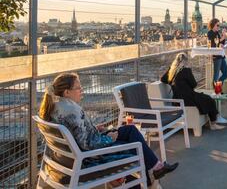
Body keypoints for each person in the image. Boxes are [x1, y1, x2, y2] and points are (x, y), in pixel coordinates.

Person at [39, 73, 179, 187]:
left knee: (130, 130)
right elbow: (88, 145)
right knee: (134, 148)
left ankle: (155, 168)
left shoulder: (55, 108)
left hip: (67, 158)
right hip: (89, 158)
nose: (82, 90)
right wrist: (109, 138)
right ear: (67, 92)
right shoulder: (71, 111)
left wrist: (96, 129)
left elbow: (79, 136)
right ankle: (151, 174)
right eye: (78, 88)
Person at [161, 53, 227, 128]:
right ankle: (214, 122)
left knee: (205, 98)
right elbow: (194, 84)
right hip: (187, 98)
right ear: (185, 61)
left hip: (177, 99)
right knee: (209, 99)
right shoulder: (186, 70)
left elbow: (163, 79)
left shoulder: (171, 70)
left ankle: (215, 119)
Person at [207, 18, 227, 83]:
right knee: (216, 76)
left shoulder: (217, 33)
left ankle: (218, 87)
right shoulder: (210, 33)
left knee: (226, 73)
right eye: (217, 25)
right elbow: (213, 43)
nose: (218, 27)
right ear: (213, 25)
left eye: (219, 25)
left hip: (221, 55)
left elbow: (221, 43)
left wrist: (223, 36)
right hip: (216, 56)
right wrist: (222, 38)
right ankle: (217, 90)